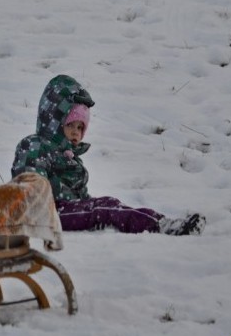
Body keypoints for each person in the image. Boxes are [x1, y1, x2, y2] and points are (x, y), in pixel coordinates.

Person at [11, 75, 205, 236]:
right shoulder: (35, 145)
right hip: (44, 214)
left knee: (106, 204)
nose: (77, 132)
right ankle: (161, 227)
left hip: (61, 209)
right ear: (55, 121)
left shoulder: (71, 158)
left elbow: (80, 196)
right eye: (71, 125)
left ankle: (161, 221)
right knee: (103, 210)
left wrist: (84, 202)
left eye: (81, 127)